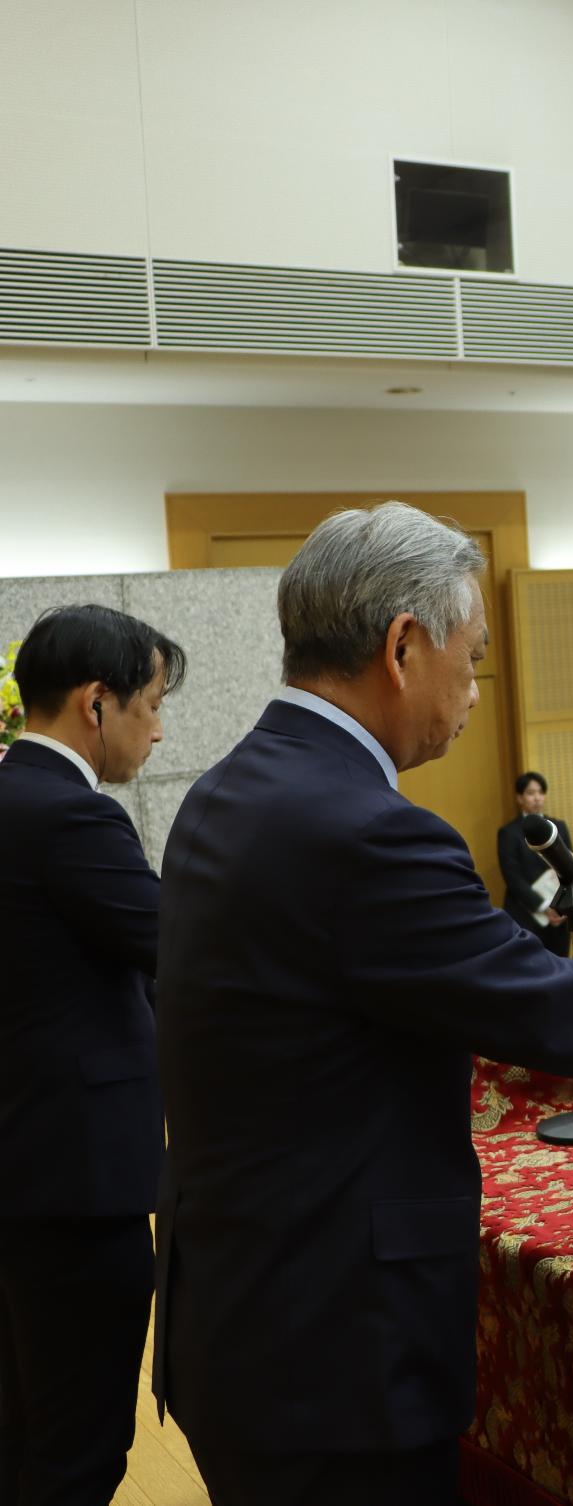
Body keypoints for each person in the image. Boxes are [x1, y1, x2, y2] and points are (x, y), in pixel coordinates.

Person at [151, 503, 573, 1504]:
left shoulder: (233, 788)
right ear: (401, 645)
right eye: (469, 660)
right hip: (332, 1350)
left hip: (244, 1311)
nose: (473, 694)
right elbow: (525, 1006)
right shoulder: (365, 827)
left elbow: (420, 978)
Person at [0, 604, 184, 1506]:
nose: (160, 727)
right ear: (96, 702)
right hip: (75, 1187)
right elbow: (184, 949)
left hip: (22, 1171)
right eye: (151, 704)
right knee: (80, 1447)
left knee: (22, 1435)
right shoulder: (69, 815)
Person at [497, 771, 573, 955]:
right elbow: (513, 878)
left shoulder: (559, 826)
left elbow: (570, 869)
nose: (537, 798)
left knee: (563, 968)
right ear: (520, 798)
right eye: (531, 793)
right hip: (527, 915)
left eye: (540, 792)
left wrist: (560, 907)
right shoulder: (509, 833)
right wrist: (543, 907)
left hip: (559, 916)